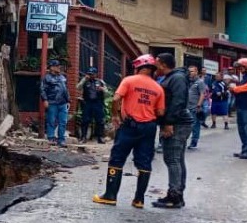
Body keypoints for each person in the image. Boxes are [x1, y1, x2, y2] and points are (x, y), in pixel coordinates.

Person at [93, 54, 165, 209]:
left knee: (117, 159)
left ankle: (110, 196)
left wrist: (115, 116)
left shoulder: (129, 80)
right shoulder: (158, 88)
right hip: (149, 127)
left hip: (129, 126)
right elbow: (160, 112)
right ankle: (139, 200)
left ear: (138, 67)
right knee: (145, 162)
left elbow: (115, 99)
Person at [153, 53, 194, 209]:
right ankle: (177, 193)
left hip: (178, 124)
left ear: (163, 64)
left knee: (172, 159)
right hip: (177, 122)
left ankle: (175, 196)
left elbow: (178, 101)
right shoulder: (173, 77)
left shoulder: (176, 78)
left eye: (157, 64)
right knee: (176, 159)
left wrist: (169, 123)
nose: (156, 67)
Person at [41, 59, 70, 147]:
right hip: (52, 102)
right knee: (51, 121)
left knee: (63, 121)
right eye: (57, 66)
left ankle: (61, 140)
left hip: (63, 103)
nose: (59, 68)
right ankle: (51, 138)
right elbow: (42, 90)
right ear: (52, 67)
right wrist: (45, 100)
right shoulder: (47, 78)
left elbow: (65, 90)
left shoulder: (62, 77)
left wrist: (68, 100)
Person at [76, 67, 107, 144]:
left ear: (96, 74)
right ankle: (83, 137)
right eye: (89, 73)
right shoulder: (85, 81)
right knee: (85, 120)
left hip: (98, 103)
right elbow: (78, 87)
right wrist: (84, 79)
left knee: (100, 121)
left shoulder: (100, 82)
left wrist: (102, 89)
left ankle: (100, 137)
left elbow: (107, 93)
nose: (91, 75)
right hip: (88, 103)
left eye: (92, 74)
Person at [187, 66, 207, 150]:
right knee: (187, 125)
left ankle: (194, 142)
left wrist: (199, 105)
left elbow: (202, 94)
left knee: (195, 125)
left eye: (192, 71)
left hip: (195, 107)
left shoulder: (200, 82)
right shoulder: (188, 82)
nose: (190, 73)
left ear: (196, 72)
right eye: (189, 71)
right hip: (187, 106)